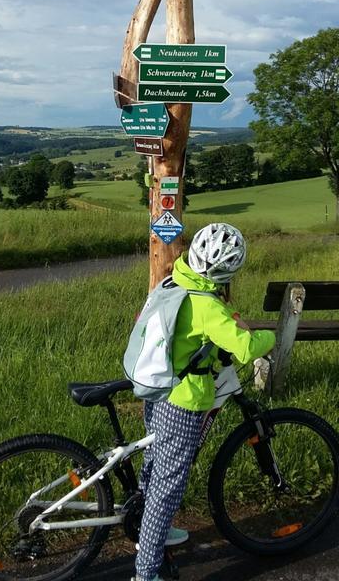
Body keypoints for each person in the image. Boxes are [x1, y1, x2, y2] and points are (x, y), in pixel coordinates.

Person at [131, 222, 276, 581]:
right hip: (184, 400)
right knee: (168, 487)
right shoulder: (208, 306)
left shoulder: (176, 279)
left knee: (155, 466)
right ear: (230, 271)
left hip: (158, 388)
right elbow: (244, 348)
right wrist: (268, 336)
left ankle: (149, 528)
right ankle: (146, 572)